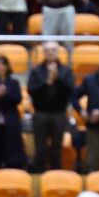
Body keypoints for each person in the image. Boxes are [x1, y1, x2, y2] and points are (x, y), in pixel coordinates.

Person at [28, 42, 75, 172]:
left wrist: (57, 79)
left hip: (59, 114)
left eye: (53, 50)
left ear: (57, 52)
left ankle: (56, 176)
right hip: (40, 113)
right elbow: (31, 90)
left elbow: (70, 90)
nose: (50, 53)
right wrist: (47, 82)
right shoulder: (36, 71)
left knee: (56, 149)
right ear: (44, 53)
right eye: (48, 50)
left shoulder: (66, 71)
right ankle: (39, 176)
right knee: (40, 149)